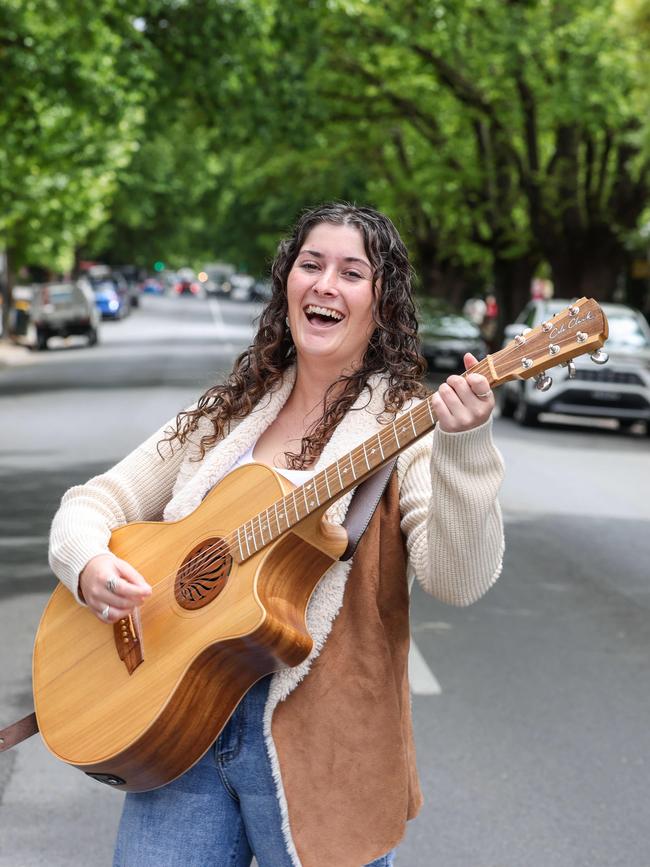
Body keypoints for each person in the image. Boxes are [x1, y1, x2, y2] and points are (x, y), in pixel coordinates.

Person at [48, 202, 504, 867]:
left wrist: (467, 448)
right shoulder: (226, 412)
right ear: (287, 282)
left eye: (352, 272)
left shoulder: (406, 428)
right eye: (311, 264)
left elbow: (459, 579)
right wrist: (88, 563)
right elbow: (94, 502)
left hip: (327, 757)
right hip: (182, 732)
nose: (325, 283)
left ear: (383, 302)